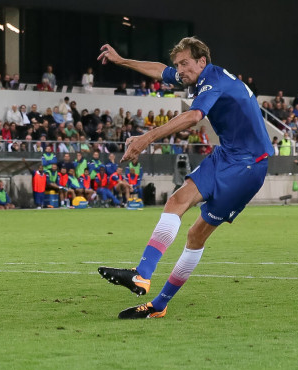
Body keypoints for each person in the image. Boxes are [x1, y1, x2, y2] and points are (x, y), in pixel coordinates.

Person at [94, 37, 270, 319]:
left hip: (248, 166)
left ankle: (160, 304)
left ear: (202, 61)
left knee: (196, 235)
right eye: (178, 64)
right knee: (176, 200)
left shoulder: (213, 81)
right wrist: (121, 61)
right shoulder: (198, 75)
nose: (180, 70)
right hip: (226, 155)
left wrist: (146, 138)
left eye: (185, 64)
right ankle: (141, 275)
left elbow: (193, 116)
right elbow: (160, 70)